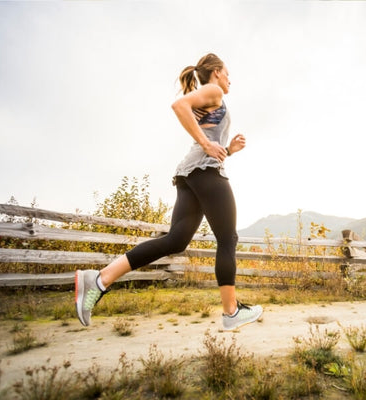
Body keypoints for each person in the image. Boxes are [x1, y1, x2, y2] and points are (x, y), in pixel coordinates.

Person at [75, 53, 263, 331]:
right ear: (216, 73)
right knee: (227, 238)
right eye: (227, 73)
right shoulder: (213, 90)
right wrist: (208, 145)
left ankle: (100, 279)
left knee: (176, 241)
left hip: (191, 174)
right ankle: (231, 312)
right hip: (203, 173)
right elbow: (179, 106)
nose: (229, 79)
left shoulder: (211, 96)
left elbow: (208, 142)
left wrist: (227, 151)